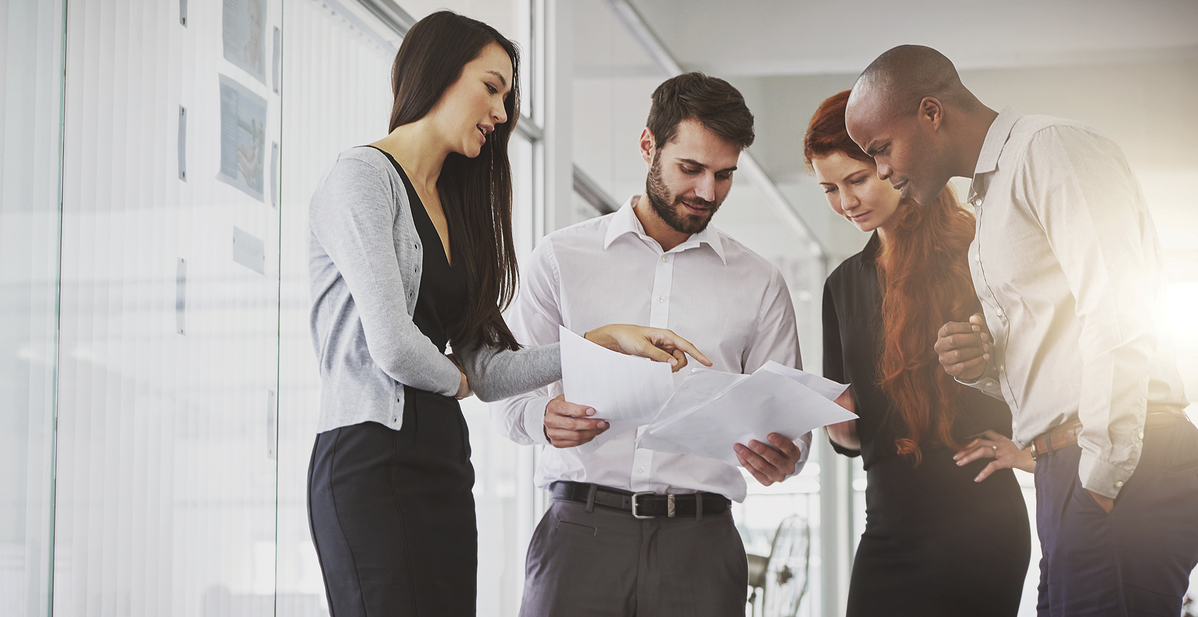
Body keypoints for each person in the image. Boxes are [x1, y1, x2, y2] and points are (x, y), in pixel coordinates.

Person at [305, 12, 709, 617]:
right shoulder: (361, 178)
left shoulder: (456, 206)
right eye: (491, 87)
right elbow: (391, 345)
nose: (500, 111)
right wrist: (458, 381)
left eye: (507, 96)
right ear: (438, 71)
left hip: (440, 456)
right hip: (368, 454)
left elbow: (488, 370)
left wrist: (598, 343)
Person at [846, 44, 1198, 617]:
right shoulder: (993, 196)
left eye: (881, 149)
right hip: (1069, 468)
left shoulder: (1049, 150)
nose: (881, 171)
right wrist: (983, 365)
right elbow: (1050, 355)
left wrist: (1102, 478)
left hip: (1115, 459)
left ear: (931, 112)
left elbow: (1119, 306)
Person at [494, 72, 809, 616]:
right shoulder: (561, 259)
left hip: (702, 548)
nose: (708, 192)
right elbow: (506, 393)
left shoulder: (759, 282)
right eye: (691, 169)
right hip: (579, 537)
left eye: (725, 175)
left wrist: (786, 456)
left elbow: (789, 426)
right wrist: (542, 419)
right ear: (649, 146)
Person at [806, 89, 1030, 616]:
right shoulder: (841, 286)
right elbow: (855, 431)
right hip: (886, 523)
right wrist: (839, 429)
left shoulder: (978, 253)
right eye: (829, 189)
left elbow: (1040, 371)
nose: (845, 202)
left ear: (891, 163)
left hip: (977, 523)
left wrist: (1029, 450)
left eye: (856, 179)